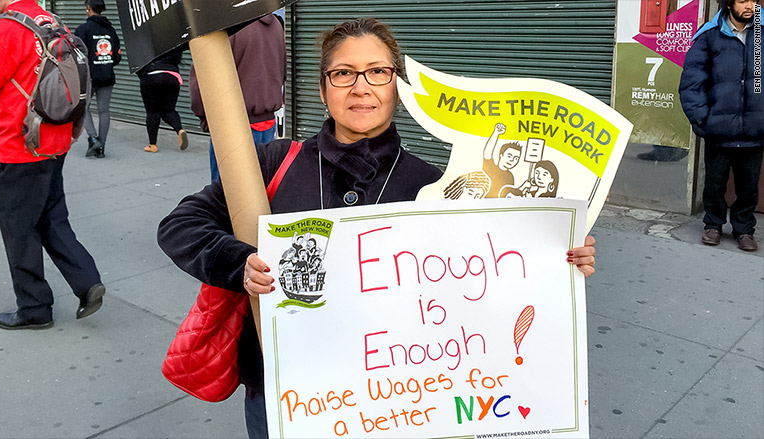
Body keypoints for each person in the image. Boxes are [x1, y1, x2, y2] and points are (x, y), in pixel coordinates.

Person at [156, 18, 596, 438]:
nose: (361, 86)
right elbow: (181, 224)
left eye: (378, 72)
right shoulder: (275, 164)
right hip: (285, 395)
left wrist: (560, 256)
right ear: (324, 88)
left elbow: (496, 277)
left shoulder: (437, 186)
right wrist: (238, 263)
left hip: (399, 402)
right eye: (344, 73)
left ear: (397, 87)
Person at [0, 0, 106, 330]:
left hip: (18, 147)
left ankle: (34, 308)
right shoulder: (51, 20)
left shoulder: (7, 29)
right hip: (54, 142)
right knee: (53, 217)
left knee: (19, 230)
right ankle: (87, 280)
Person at [679, 0, 763, 251]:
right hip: (718, 130)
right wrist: (703, 121)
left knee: (748, 187)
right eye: (742, 0)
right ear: (728, 3)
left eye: (753, 0)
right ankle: (712, 225)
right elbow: (692, 83)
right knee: (714, 183)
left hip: (754, 129)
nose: (749, 6)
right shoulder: (709, 35)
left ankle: (744, 229)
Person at [189, 13, 286, 181]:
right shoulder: (276, 25)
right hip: (267, 122)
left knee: (224, 196)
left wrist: (205, 117)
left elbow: (203, 78)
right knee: (260, 190)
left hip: (231, 124)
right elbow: (282, 71)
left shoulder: (224, 24)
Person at [74, 0, 121, 158]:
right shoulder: (111, 30)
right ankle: (102, 146)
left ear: (88, 8)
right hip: (107, 76)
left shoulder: (83, 29)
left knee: (83, 108)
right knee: (104, 110)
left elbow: (77, 55)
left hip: (89, 77)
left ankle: (93, 139)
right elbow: (117, 56)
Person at [137, 49, 188, 153]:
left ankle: (153, 145)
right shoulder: (172, 37)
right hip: (173, 75)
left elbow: (137, 59)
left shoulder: (147, 37)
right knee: (169, 110)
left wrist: (143, 75)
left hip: (152, 74)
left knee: (152, 111)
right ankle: (180, 130)